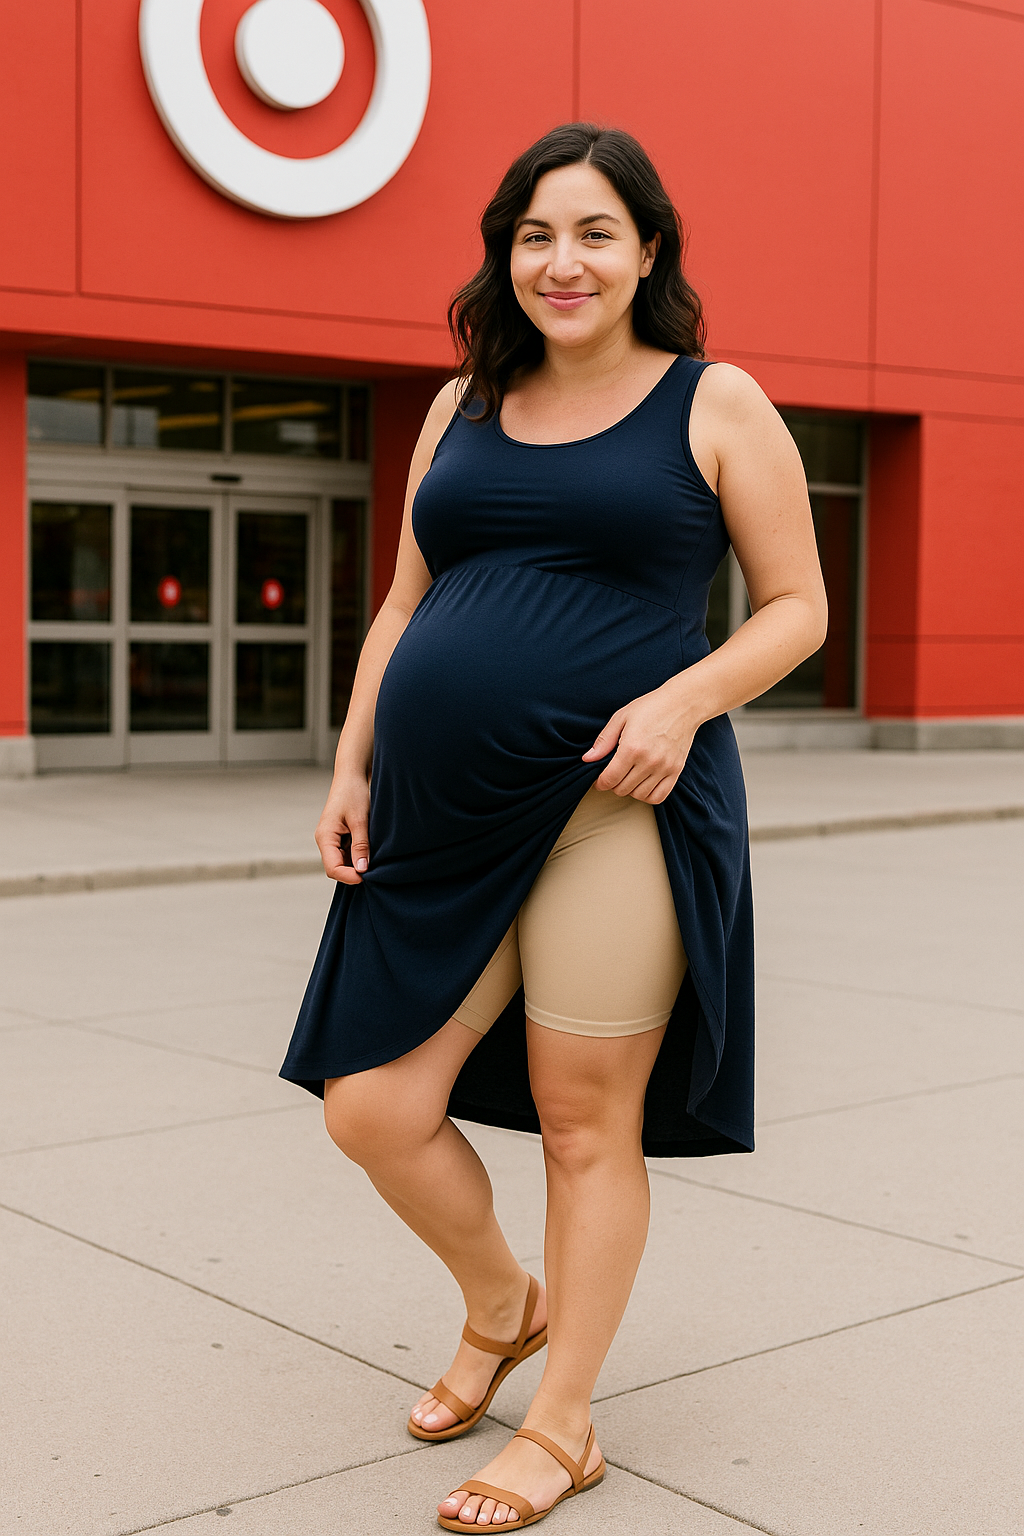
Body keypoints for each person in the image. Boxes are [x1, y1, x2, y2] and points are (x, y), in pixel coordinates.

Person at [280, 122, 827, 1530]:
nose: (562, 260)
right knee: (375, 1106)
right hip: (438, 813)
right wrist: (350, 764)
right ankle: (501, 1302)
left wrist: (682, 701)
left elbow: (796, 608)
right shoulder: (459, 405)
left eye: (594, 232)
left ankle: (564, 1421)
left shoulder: (715, 402)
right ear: (503, 254)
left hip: (615, 808)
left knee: (588, 1128)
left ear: (649, 251)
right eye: (535, 233)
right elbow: (405, 599)